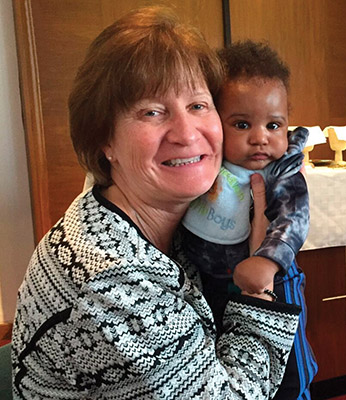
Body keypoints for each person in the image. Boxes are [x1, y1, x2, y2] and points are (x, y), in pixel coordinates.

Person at [12, 8, 301, 399]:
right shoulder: (109, 286)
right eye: (152, 111)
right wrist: (257, 293)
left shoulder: (175, 220)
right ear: (105, 140)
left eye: (198, 105)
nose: (187, 133)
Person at [182, 40, 318, 399]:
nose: (260, 138)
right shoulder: (205, 163)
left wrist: (268, 260)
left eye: (274, 125)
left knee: (288, 365)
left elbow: (294, 218)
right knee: (227, 357)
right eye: (242, 124)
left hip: (274, 280)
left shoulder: (281, 172)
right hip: (210, 282)